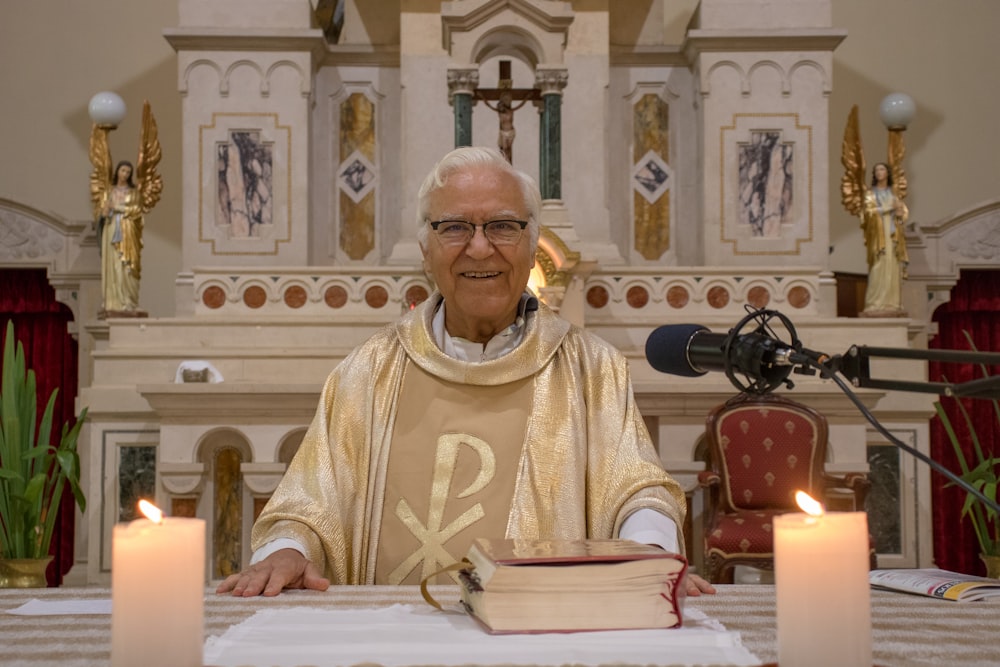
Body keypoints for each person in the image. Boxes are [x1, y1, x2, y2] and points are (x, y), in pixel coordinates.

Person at [217, 146, 715, 598]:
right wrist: (287, 550)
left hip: (544, 639)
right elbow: (308, 504)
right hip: (393, 644)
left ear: (532, 245)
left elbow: (635, 490)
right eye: (454, 227)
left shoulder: (590, 368)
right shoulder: (368, 372)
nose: (480, 248)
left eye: (502, 226)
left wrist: (648, 550)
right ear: (425, 251)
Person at [859, 162, 909, 317]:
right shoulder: (870, 194)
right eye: (877, 170)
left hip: (892, 235)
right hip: (879, 237)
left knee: (892, 267)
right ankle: (875, 303)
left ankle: (892, 303)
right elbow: (867, 214)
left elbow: (903, 213)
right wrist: (888, 209)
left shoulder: (894, 194)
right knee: (878, 268)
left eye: (882, 169)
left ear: (887, 173)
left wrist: (900, 214)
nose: (879, 172)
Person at [96, 160, 144, 313]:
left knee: (127, 267)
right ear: (117, 171)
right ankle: (112, 302)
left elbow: (136, 210)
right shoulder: (108, 191)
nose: (125, 174)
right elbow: (102, 213)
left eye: (128, 172)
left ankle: (128, 301)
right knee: (113, 264)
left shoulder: (133, 192)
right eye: (123, 170)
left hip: (127, 232)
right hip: (111, 230)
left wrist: (116, 207)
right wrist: (105, 212)